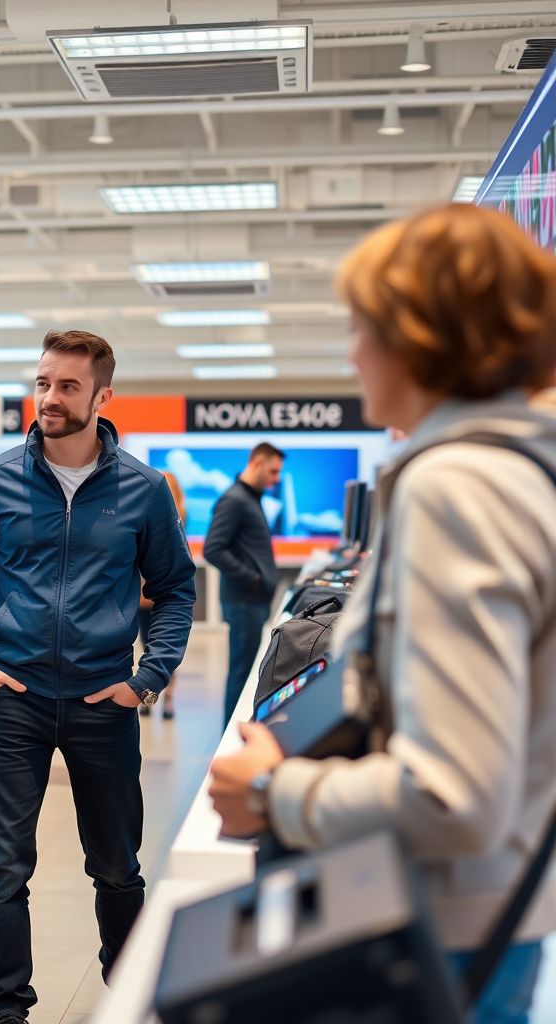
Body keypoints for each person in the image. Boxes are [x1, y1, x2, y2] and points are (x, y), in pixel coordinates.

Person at [208, 203, 556, 1024]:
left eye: (362, 323)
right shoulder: (525, 471)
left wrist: (275, 790)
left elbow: (453, 795)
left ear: (419, 334)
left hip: (438, 927)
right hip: (497, 917)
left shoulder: (457, 486)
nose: (352, 348)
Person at [0, 329, 196, 1024]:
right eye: (43, 382)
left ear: (103, 396)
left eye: (67, 386)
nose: (49, 398)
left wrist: (147, 679)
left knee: (116, 866)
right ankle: (7, 1011)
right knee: (3, 869)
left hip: (102, 700)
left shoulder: (142, 490)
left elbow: (175, 589)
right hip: (12, 701)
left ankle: (131, 989)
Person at [202, 443, 284, 728]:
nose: (276, 479)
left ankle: (237, 732)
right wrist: (253, 578)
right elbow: (213, 549)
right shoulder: (235, 500)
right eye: (273, 472)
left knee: (247, 672)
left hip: (252, 601)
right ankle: (232, 737)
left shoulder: (250, 498)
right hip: (244, 600)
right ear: (257, 463)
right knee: (242, 672)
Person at [139, 470, 188, 719]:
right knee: (149, 645)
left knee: (164, 646)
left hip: (159, 592)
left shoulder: (176, 516)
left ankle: (164, 698)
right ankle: (150, 696)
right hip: (143, 596)